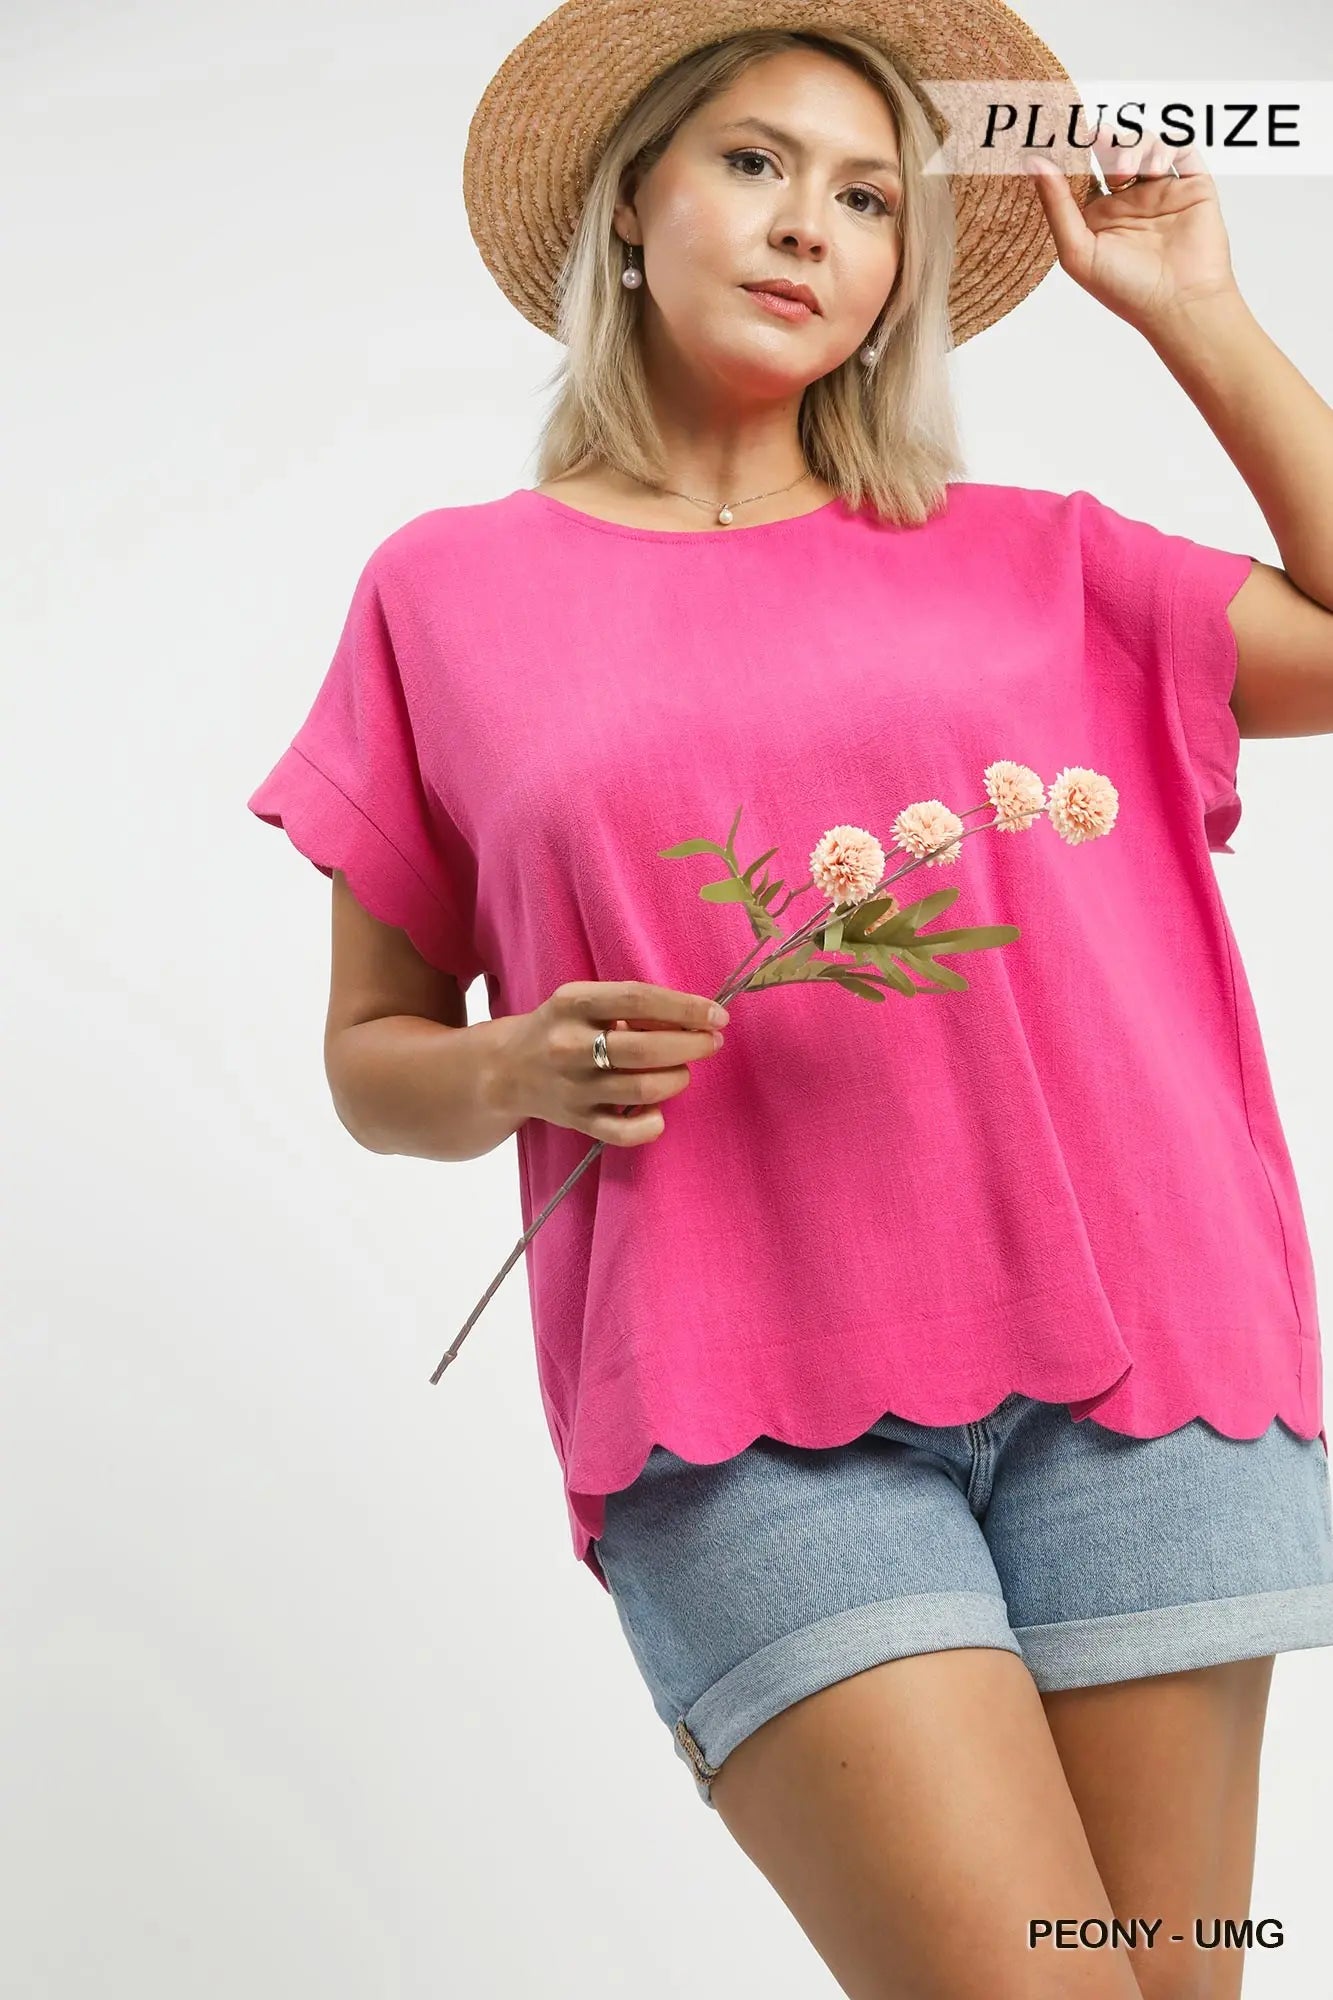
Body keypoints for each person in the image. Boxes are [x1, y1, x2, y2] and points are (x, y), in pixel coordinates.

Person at [246, 3, 1333, 1994]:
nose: (808, 224)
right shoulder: (446, 592)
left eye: (866, 194)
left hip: (1151, 1370)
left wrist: (1192, 309)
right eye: (754, 162)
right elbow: (370, 1062)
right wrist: (513, 1061)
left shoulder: (1040, 561)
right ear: (634, 207)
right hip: (742, 1417)